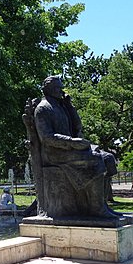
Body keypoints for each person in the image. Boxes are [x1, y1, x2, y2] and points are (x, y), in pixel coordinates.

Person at [33, 76, 119, 219]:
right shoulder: (43, 109)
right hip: (55, 153)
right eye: (58, 88)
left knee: (108, 158)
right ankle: (96, 208)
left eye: (61, 88)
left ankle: (102, 204)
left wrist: (70, 106)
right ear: (48, 90)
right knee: (96, 159)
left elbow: (78, 126)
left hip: (70, 148)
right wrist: (71, 142)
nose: (61, 91)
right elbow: (46, 138)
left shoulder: (62, 106)